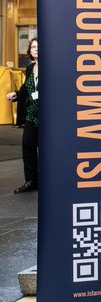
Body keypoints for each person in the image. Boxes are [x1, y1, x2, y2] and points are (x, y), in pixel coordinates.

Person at [7, 39, 38, 194]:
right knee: (28, 145)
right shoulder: (30, 68)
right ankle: (31, 180)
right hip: (32, 113)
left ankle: (50, 180)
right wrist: (17, 95)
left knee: (48, 149)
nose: (36, 49)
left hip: (49, 116)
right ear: (30, 51)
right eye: (33, 47)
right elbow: (27, 89)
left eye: (39, 46)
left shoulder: (51, 67)